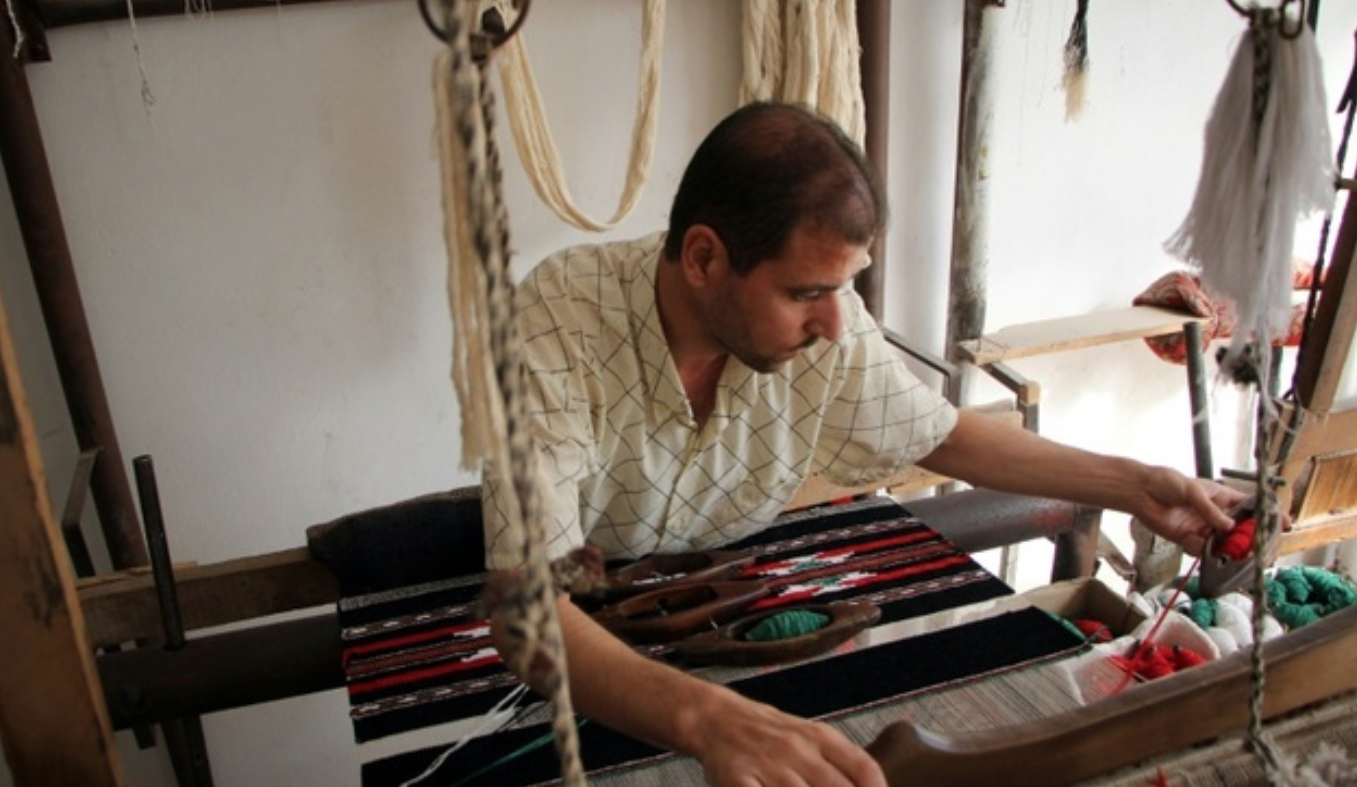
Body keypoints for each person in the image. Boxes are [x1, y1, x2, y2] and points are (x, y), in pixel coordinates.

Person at [482, 101, 1247, 787]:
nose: (835, 325)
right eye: (805, 293)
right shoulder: (556, 324)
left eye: (841, 289)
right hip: (590, 603)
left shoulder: (826, 326)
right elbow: (524, 610)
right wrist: (708, 718)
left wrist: (1138, 484)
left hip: (730, 597)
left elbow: (938, 433)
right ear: (704, 258)